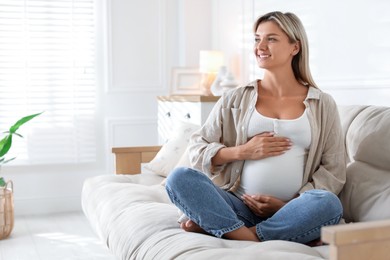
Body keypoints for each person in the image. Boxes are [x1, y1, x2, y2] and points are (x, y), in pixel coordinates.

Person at [165, 11, 346, 244]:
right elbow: (197, 148)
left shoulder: (322, 103)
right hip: (237, 206)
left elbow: (334, 170)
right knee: (178, 178)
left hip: (291, 212)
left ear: (295, 47)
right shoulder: (235, 98)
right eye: (256, 38)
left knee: (329, 204)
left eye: (271, 39)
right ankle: (251, 235)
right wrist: (243, 151)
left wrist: (288, 205)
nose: (260, 46)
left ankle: (234, 232)